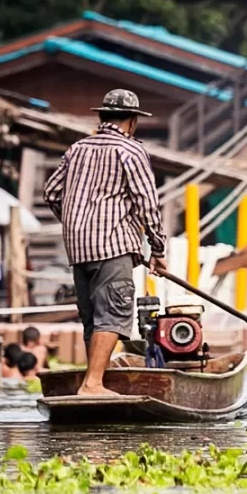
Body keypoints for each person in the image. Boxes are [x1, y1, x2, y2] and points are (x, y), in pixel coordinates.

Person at [43, 89, 168, 397]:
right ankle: (93, 384)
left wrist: (77, 224)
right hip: (112, 248)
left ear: (102, 117)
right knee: (112, 314)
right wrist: (159, 249)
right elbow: (147, 205)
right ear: (132, 121)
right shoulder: (130, 151)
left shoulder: (77, 149)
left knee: (94, 319)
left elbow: (51, 193)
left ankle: (96, 381)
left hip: (79, 248)